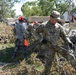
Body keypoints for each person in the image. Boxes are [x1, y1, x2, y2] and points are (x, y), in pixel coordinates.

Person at [34, 10, 76, 75]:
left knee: (71, 56)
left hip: (58, 46)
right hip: (49, 47)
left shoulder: (58, 26)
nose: (56, 21)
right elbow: (35, 33)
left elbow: (64, 35)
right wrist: (41, 39)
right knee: (48, 64)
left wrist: (69, 42)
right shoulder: (43, 25)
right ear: (51, 17)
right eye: (55, 19)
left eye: (57, 19)